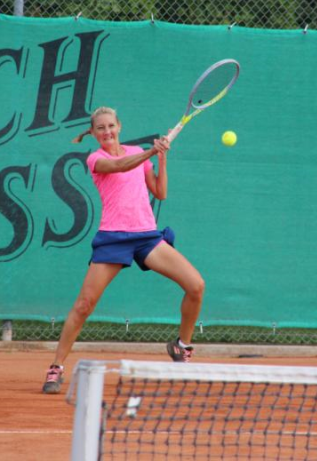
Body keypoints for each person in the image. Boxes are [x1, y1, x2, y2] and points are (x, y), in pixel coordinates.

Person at [42, 107, 205, 394]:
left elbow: (160, 192)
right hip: (113, 238)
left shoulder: (138, 153)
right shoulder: (95, 159)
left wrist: (161, 158)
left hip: (146, 236)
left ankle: (182, 346)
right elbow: (119, 167)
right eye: (100, 128)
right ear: (93, 133)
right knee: (84, 305)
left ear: (119, 126)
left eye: (110, 126)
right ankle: (56, 367)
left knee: (196, 285)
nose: (107, 132)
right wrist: (151, 151)